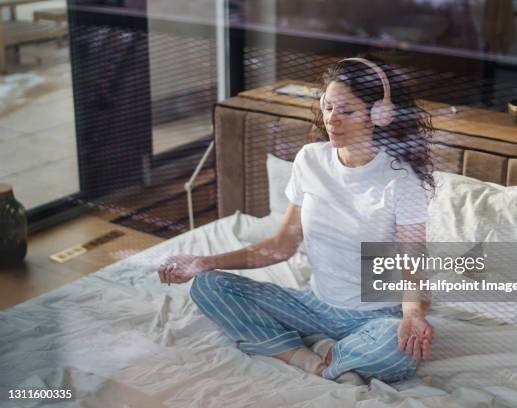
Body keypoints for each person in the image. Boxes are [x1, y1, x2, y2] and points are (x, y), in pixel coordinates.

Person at [158, 57, 435, 385]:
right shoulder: (310, 159)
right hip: (313, 306)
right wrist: (202, 262)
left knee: (397, 350)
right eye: (328, 107)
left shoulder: (401, 180)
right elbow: (280, 247)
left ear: (379, 115)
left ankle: (320, 353)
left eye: (346, 111)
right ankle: (308, 360)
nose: (332, 120)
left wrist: (412, 314)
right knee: (208, 285)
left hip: (373, 317)